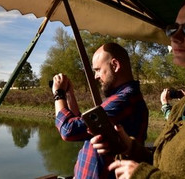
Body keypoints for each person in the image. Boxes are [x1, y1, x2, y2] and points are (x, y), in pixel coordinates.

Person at [96, 0, 185, 179]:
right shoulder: (182, 105)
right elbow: (165, 163)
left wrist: (145, 176)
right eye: (174, 28)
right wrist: (130, 148)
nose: (175, 37)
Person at [52, 42, 149, 179]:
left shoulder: (124, 100)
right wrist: (69, 94)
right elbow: (83, 127)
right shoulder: (122, 98)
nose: (96, 76)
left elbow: (69, 131)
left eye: (97, 70)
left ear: (115, 66)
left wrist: (59, 94)